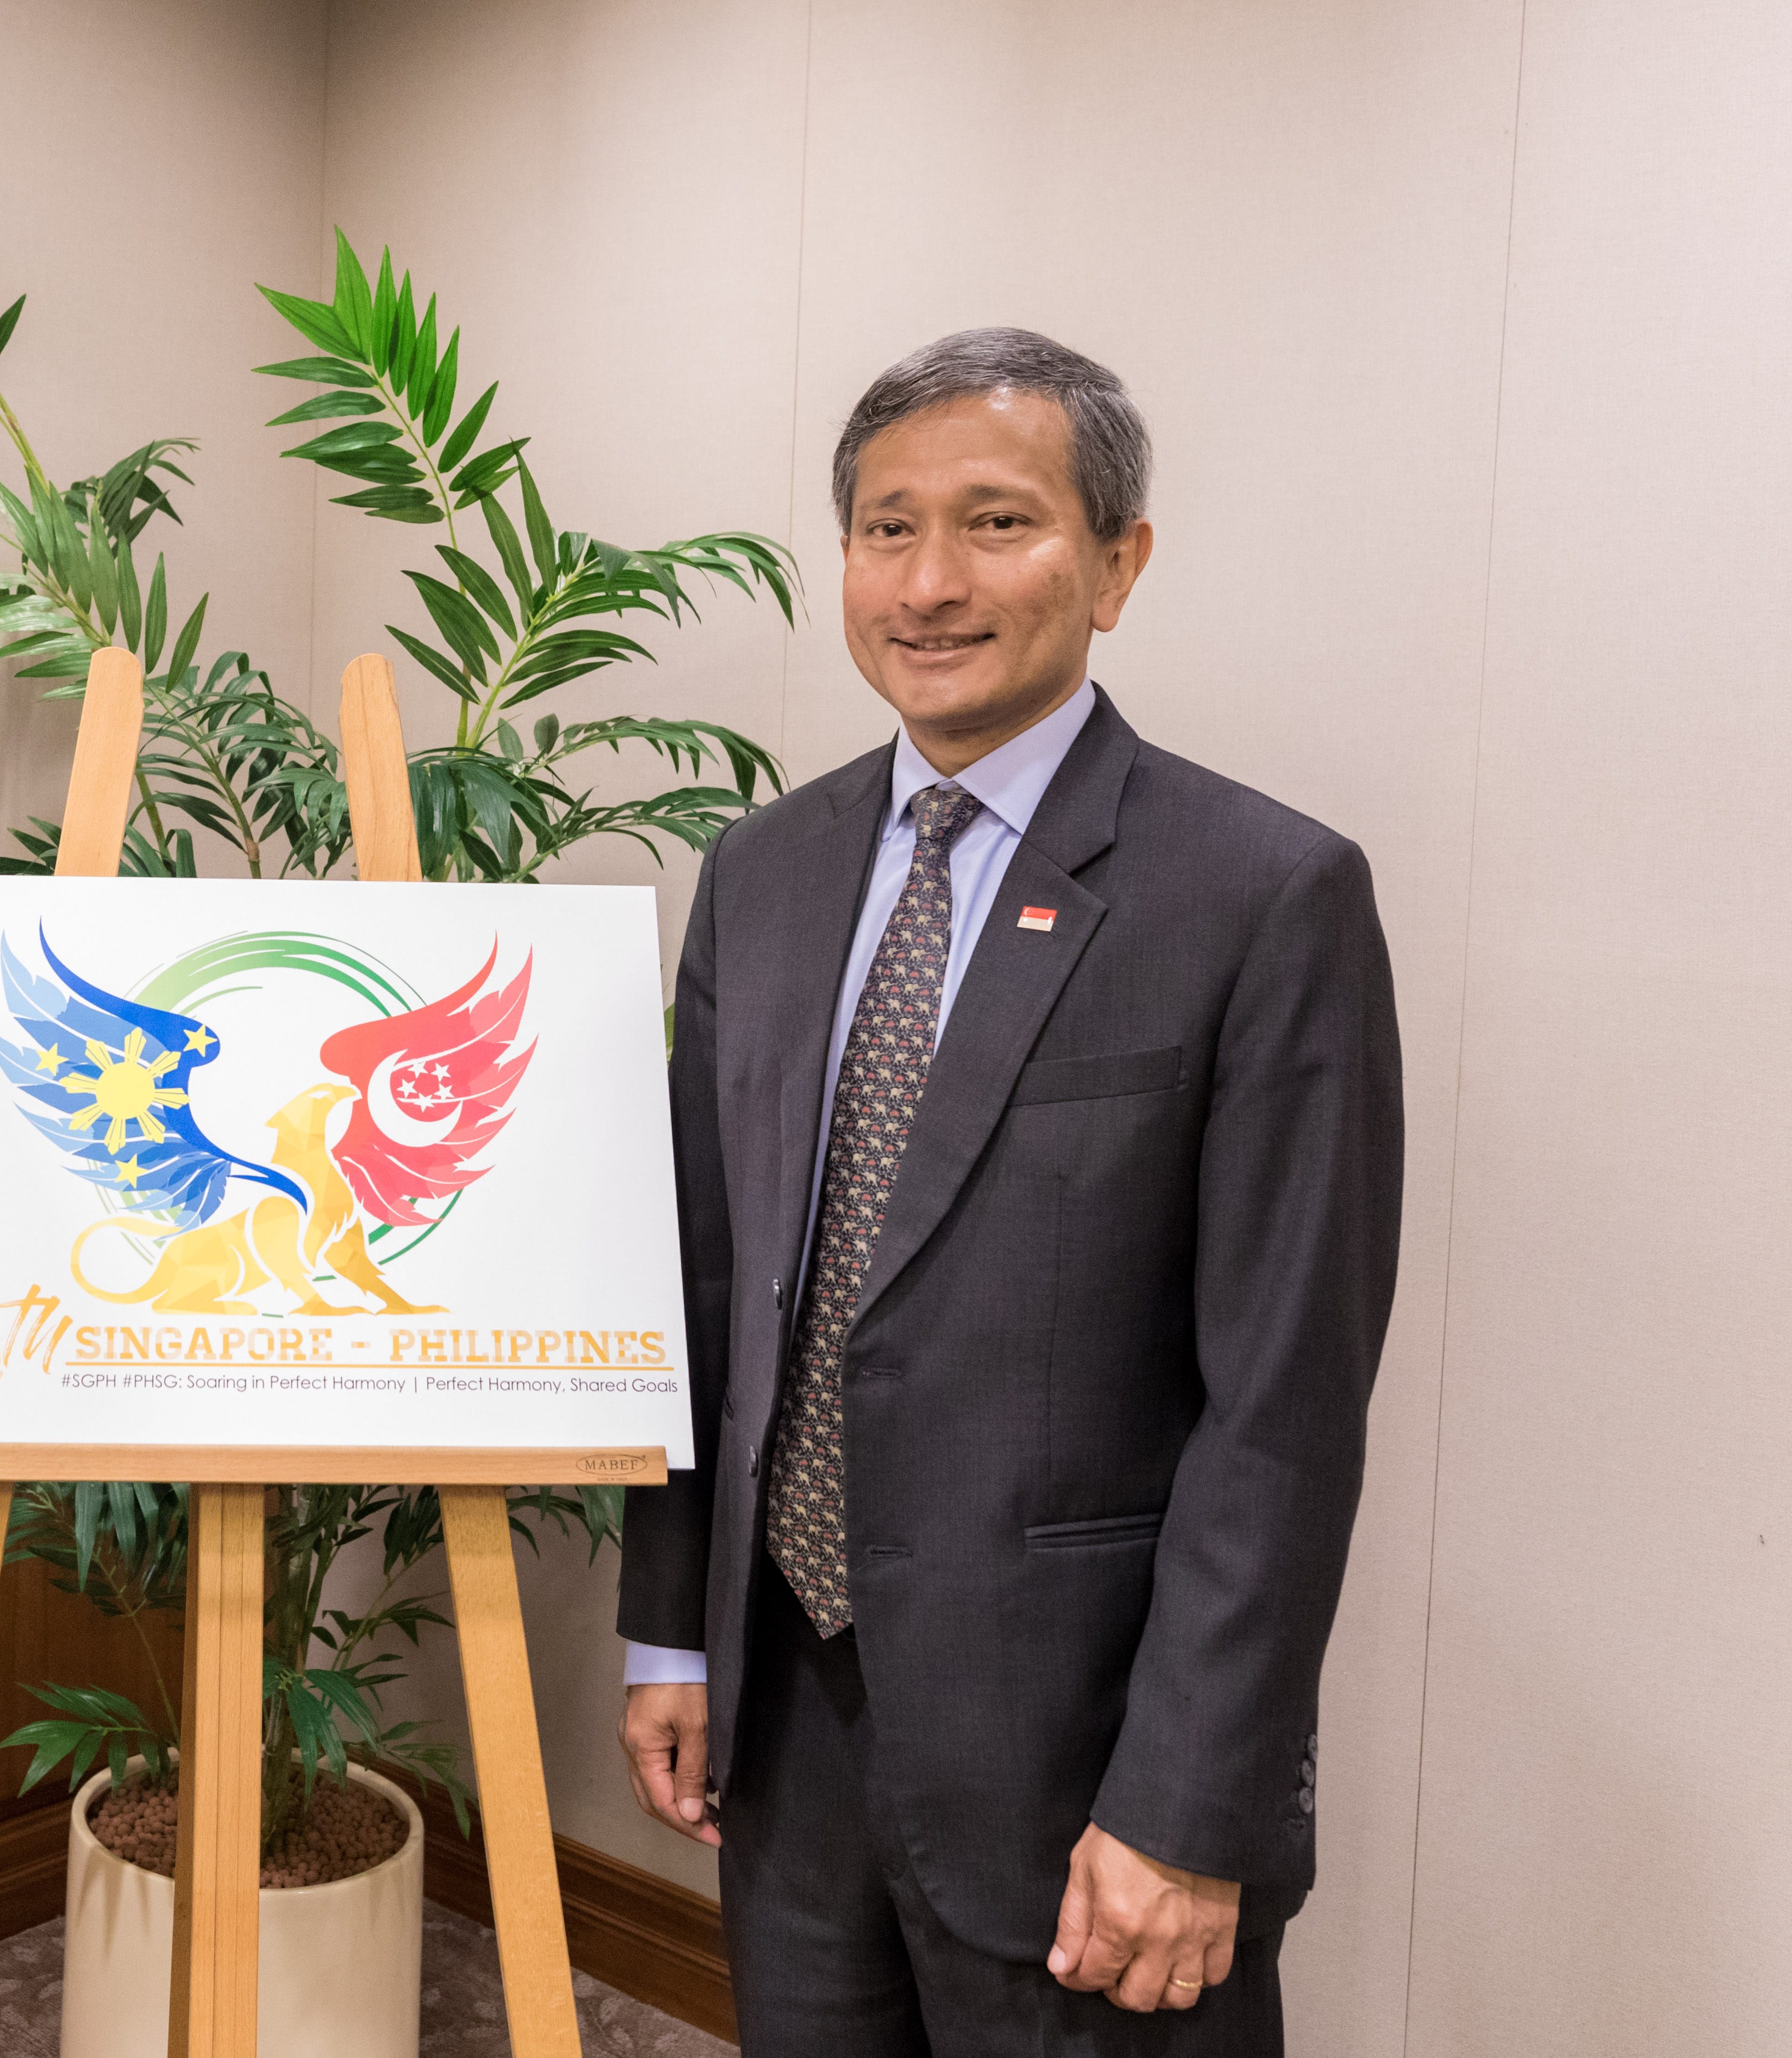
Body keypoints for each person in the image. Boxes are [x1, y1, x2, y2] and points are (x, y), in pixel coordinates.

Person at [615, 329, 1402, 2055]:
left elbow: (1282, 1406)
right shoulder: (764, 868)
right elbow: (699, 1281)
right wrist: (669, 1637)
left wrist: (1191, 1802)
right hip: (789, 1715)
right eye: (885, 528)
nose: (930, 582)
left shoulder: (1263, 897)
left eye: (995, 522)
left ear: (1116, 564)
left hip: (1085, 1763)